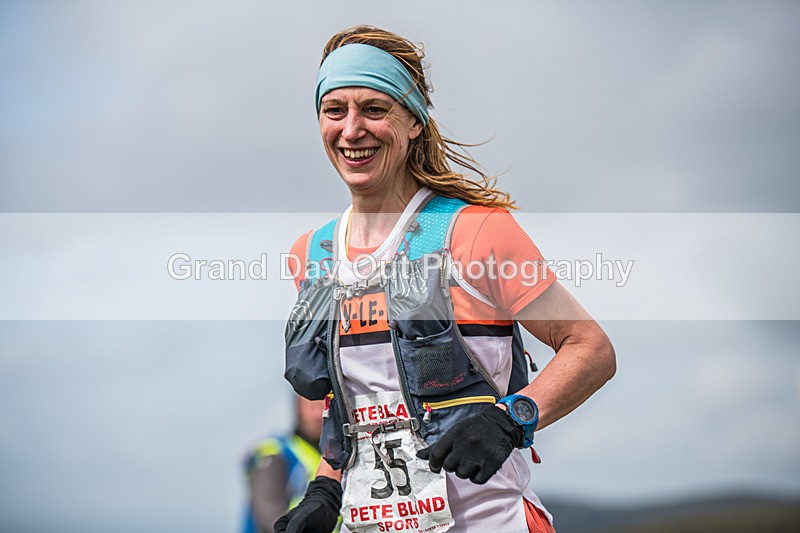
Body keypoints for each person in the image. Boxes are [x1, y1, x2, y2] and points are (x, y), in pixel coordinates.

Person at [278, 25, 616, 533]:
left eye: (374, 109)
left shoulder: (477, 232)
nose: (351, 130)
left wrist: (512, 419)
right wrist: (325, 488)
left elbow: (590, 349)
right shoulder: (312, 255)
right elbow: (355, 403)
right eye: (334, 111)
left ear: (413, 122)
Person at [242, 396, 325, 533]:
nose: (317, 415)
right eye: (312, 407)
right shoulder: (273, 451)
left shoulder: (332, 455)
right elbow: (270, 515)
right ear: (297, 408)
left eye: (323, 408)